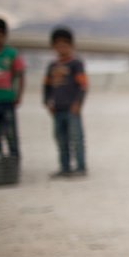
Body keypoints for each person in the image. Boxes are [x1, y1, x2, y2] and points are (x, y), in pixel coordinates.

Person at [43, 26, 88, 177]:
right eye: (58, 45)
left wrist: (78, 104)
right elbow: (47, 86)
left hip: (71, 108)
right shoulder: (52, 66)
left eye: (65, 45)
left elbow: (83, 85)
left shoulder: (76, 64)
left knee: (76, 138)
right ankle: (65, 167)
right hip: (57, 108)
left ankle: (81, 167)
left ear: (71, 46)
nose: (62, 48)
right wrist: (47, 102)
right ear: (53, 47)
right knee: (61, 140)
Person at [0, 16, 25, 159]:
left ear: (4, 36)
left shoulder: (11, 54)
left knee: (11, 134)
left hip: (6, 101)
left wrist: (18, 95)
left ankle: (14, 161)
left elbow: (20, 76)